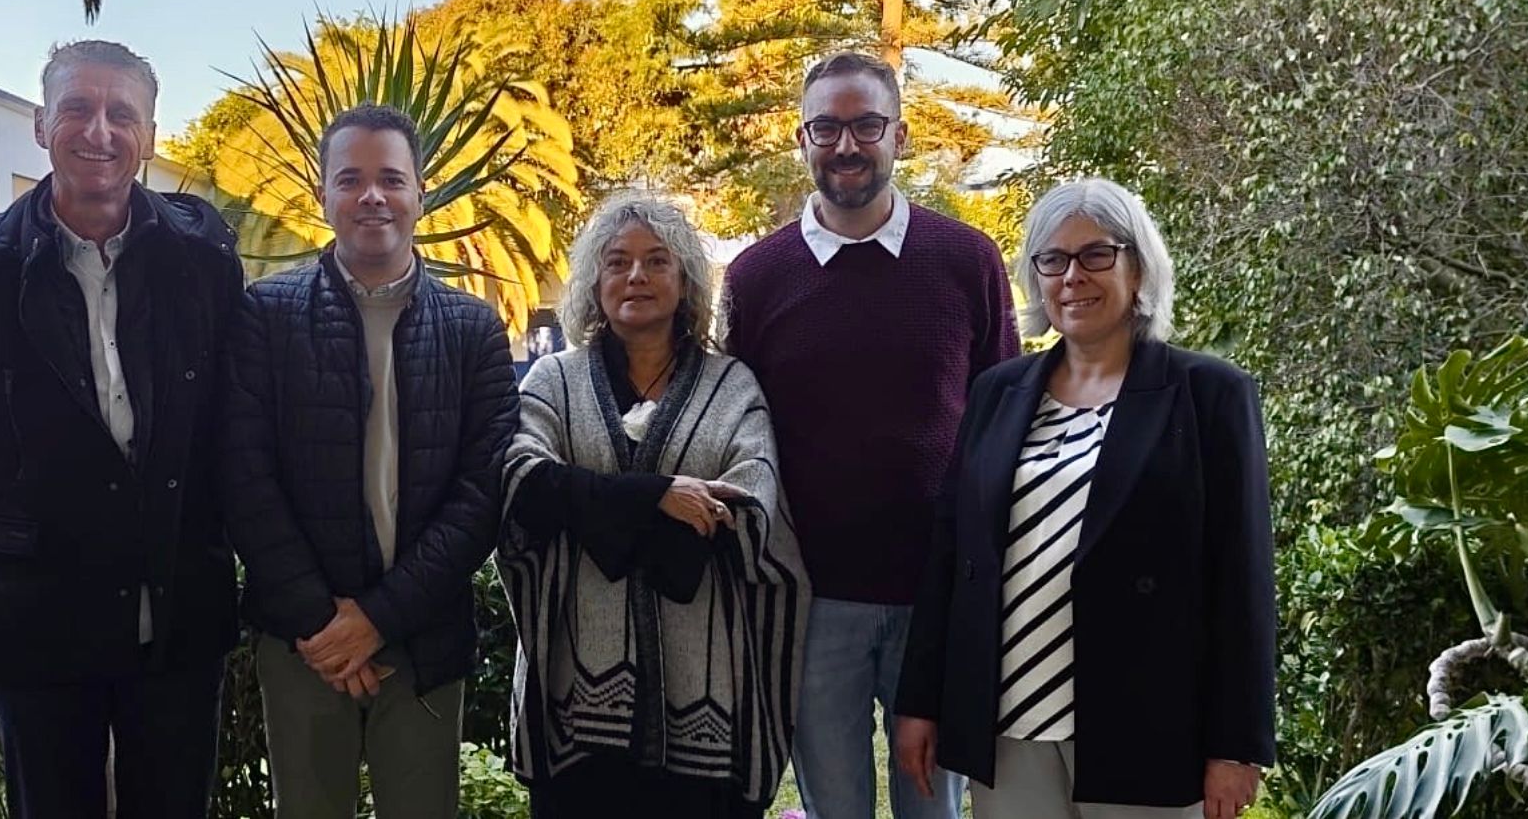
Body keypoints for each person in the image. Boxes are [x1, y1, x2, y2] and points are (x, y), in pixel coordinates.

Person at [0, 40, 244, 817]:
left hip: (178, 605)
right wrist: (34, 523)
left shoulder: (203, 258)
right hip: (35, 616)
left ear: (150, 136)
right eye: (77, 109)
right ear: (40, 124)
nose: (99, 130)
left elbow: (231, 415)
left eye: (121, 113)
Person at [892, 178, 1276, 819]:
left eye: (1096, 254)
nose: (1073, 276)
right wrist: (921, 701)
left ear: (1138, 267)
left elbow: (1243, 579)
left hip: (1146, 723)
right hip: (1011, 719)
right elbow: (952, 557)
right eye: (1053, 259)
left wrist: (1237, 746)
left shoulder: (1208, 393)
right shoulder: (997, 392)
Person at [722, 49, 1021, 819]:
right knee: (836, 809)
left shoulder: (968, 262)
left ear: (901, 135)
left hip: (936, 595)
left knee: (934, 810)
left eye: (866, 126)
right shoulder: (756, 277)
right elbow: (737, 428)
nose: (847, 145)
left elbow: (1003, 420)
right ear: (803, 139)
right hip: (814, 599)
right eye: (827, 127)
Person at [219, 103, 519, 819]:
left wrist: (380, 618)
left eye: (391, 178)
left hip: (422, 639)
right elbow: (242, 476)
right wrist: (326, 624)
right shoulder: (266, 315)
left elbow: (484, 491)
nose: (372, 195)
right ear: (323, 195)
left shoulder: (474, 328)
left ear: (421, 192)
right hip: (303, 644)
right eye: (350, 179)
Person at [498, 194, 811, 819]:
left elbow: (751, 510)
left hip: (705, 707)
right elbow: (519, 482)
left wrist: (593, 514)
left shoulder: (733, 386)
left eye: (656, 260)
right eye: (617, 262)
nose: (635, 276)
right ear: (594, 281)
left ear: (686, 279)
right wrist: (661, 498)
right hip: (576, 711)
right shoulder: (552, 381)